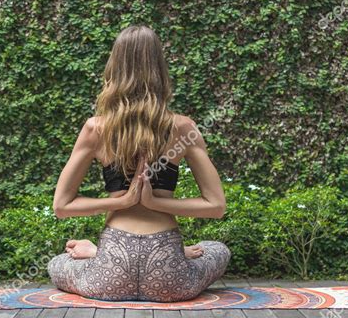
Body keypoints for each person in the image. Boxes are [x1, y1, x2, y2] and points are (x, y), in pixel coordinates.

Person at [48, 25, 230, 302]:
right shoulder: (184, 128)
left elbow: (62, 206)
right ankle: (177, 254)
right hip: (169, 274)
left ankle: (97, 252)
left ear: (114, 68)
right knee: (216, 249)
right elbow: (216, 207)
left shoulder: (95, 129)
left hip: (110, 272)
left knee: (58, 263)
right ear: (160, 69)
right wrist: (157, 203)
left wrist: (120, 202)